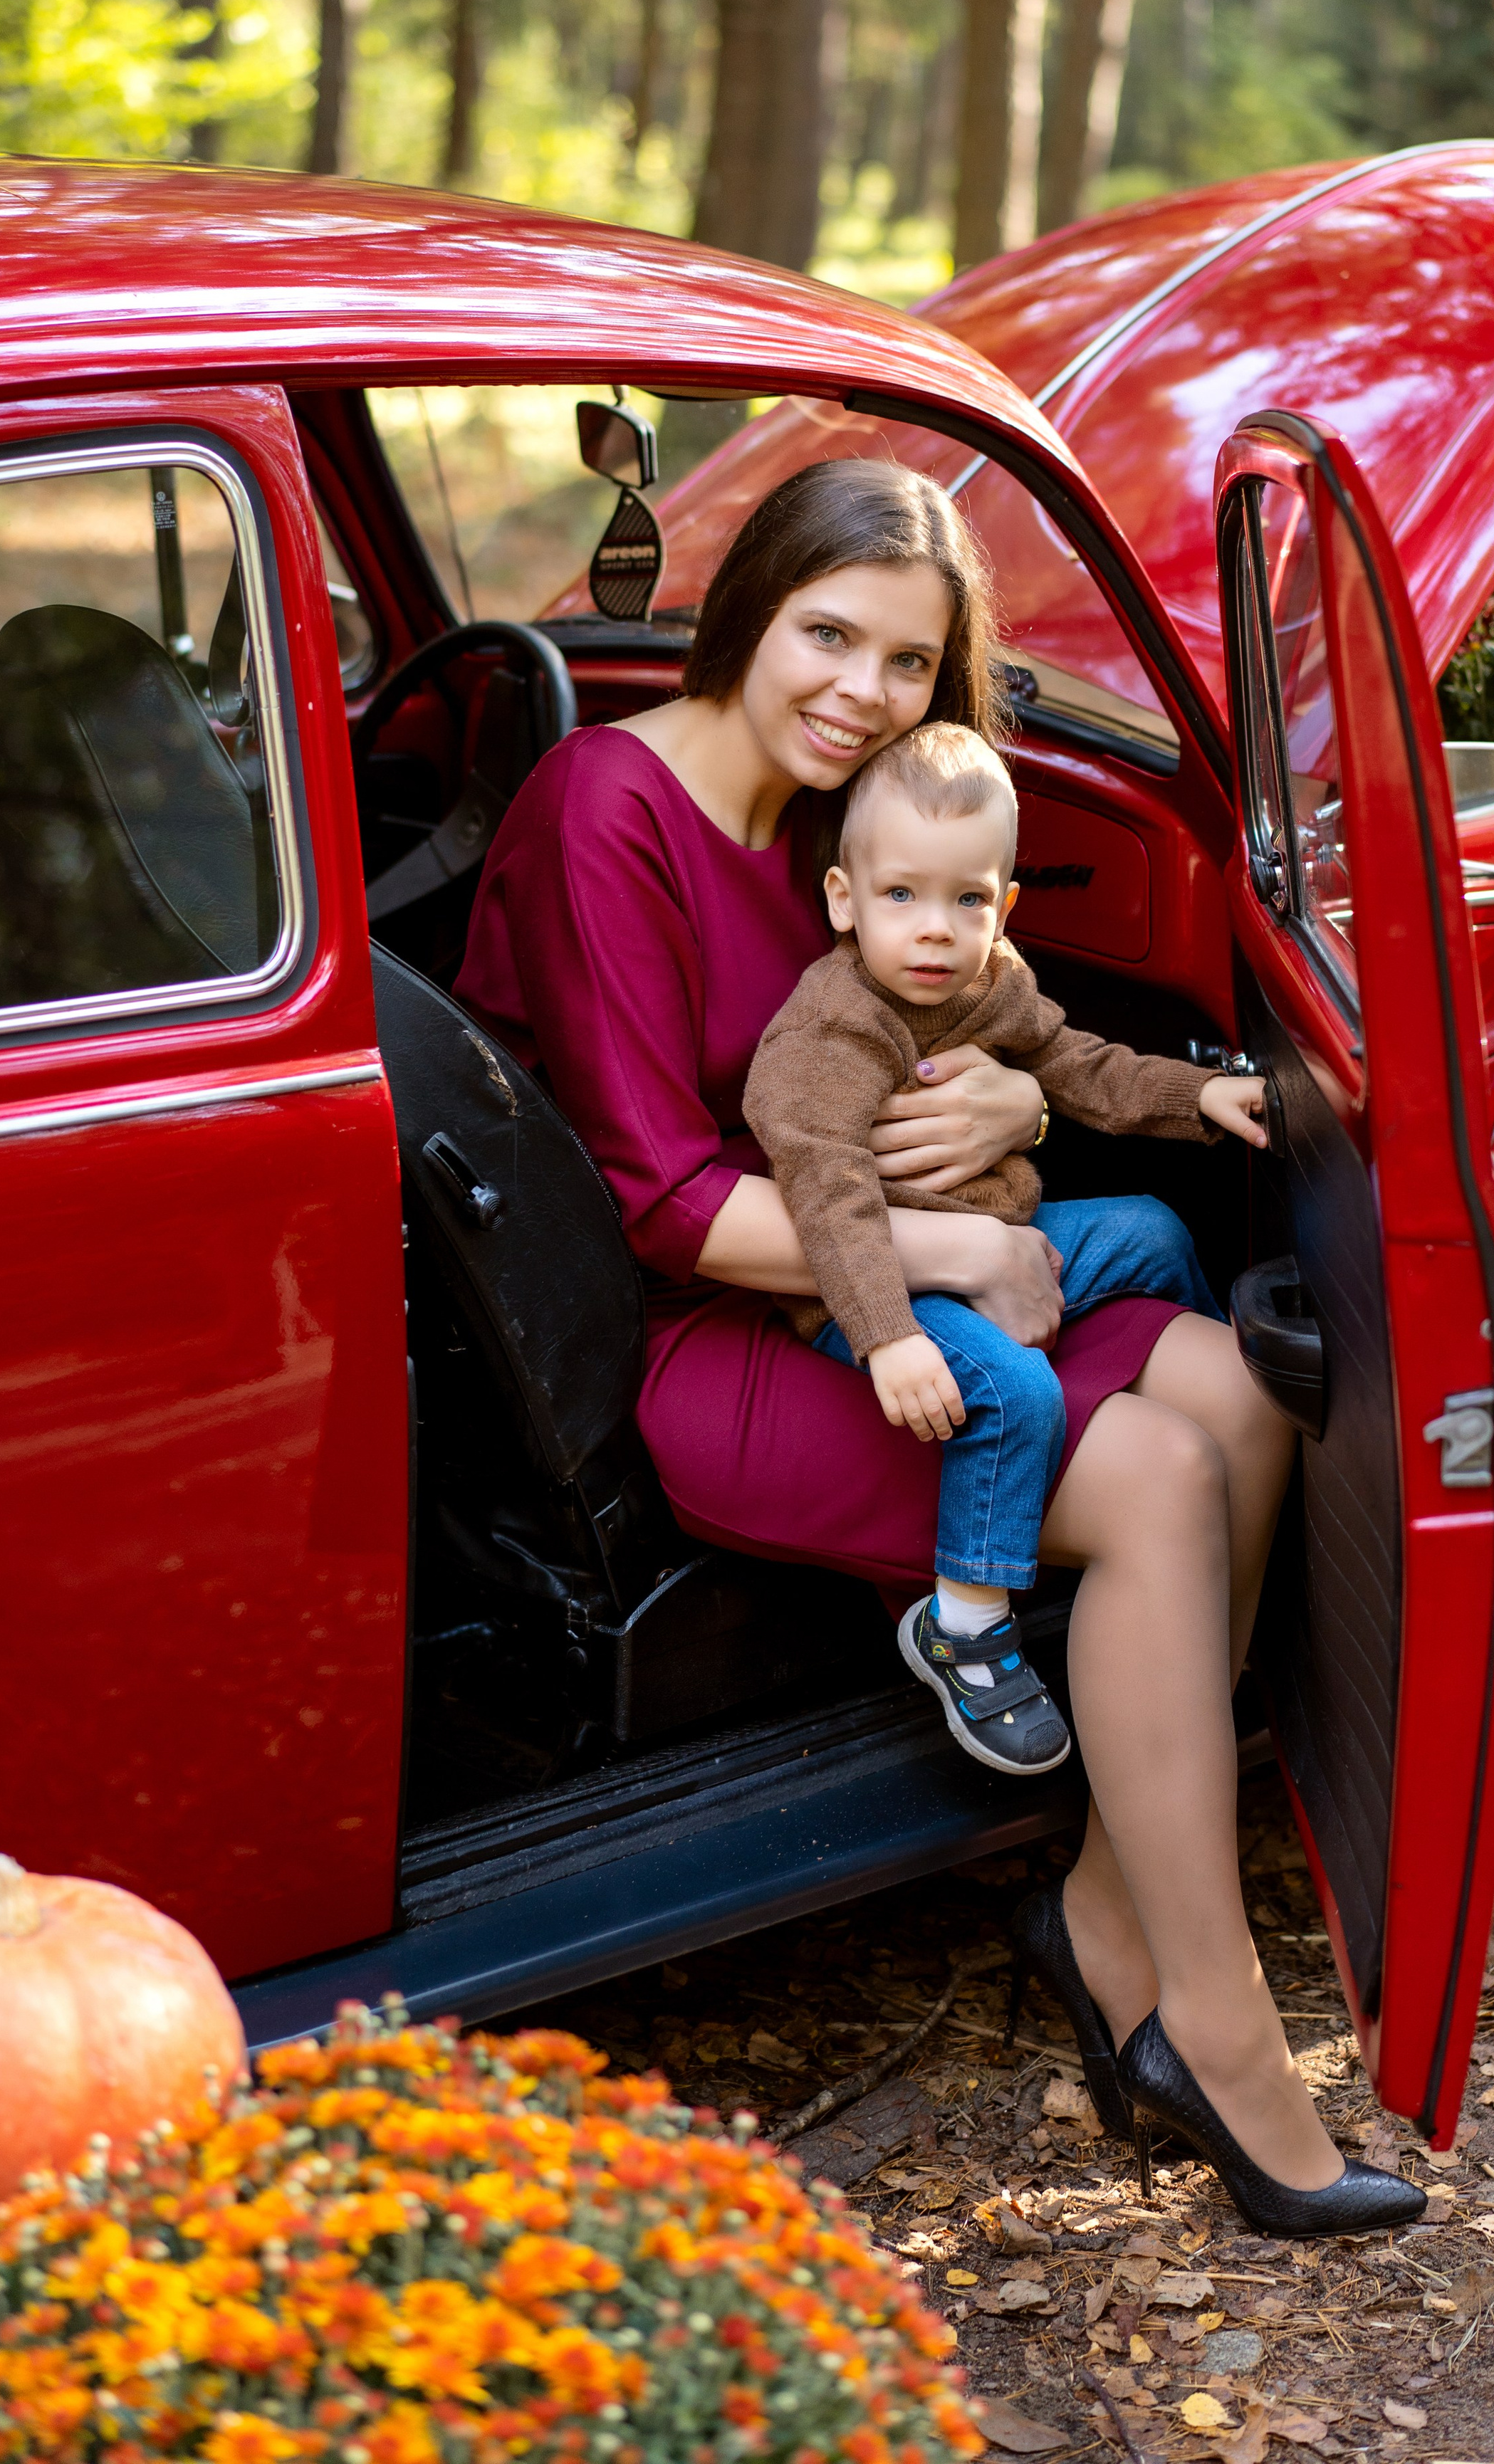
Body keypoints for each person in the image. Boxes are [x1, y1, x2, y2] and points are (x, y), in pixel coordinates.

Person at [456, 455, 1422, 2238]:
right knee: (1147, 1465)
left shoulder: (841, 816)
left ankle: (1110, 1915)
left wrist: (978, 1079)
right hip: (713, 1345)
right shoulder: (611, 804)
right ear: (746, 607)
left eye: (905, 664)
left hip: (874, 1292)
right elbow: (660, 1202)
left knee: (1233, 1383)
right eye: (826, 635)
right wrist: (974, 1239)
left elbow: (930, 1010)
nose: (859, 692)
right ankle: (1217, 2034)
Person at [744, 719, 1246, 1780]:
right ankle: (966, 1622)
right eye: (901, 897)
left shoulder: (990, 979)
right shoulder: (831, 1029)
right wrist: (886, 1339)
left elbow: (1078, 1064)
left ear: (1004, 908)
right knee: (1016, 1395)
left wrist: (1198, 1093)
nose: (935, 930)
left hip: (1000, 1232)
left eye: (966, 901)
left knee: (1151, 1228)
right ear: (844, 899)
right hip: (872, 1281)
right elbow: (825, 1195)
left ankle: (1193, 1380)